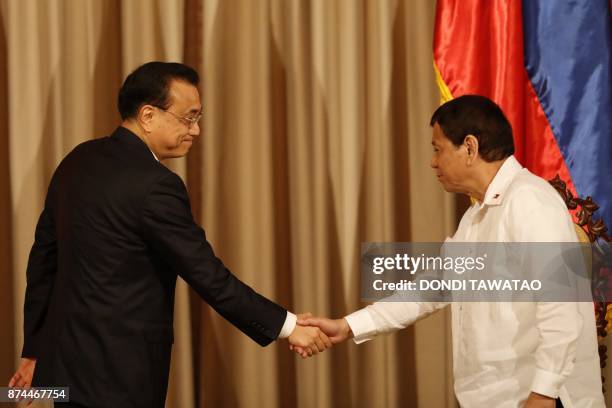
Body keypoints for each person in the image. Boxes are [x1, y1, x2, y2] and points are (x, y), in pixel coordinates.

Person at [8, 62, 331, 408]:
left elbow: (42, 263)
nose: (196, 130)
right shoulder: (157, 185)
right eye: (188, 118)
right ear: (148, 115)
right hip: (121, 377)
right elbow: (209, 277)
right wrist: (288, 326)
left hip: (67, 365)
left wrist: (34, 350)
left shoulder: (76, 160)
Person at [296, 95, 604, 407]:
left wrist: (543, 394)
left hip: (538, 399)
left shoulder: (530, 202)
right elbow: (428, 290)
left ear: (470, 148)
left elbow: (561, 310)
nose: (433, 161)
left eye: (438, 149)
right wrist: (347, 327)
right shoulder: (474, 217)